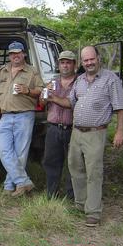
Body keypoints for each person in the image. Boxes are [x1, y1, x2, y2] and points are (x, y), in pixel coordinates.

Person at [50, 46, 123, 227]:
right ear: (82, 63)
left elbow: (120, 107)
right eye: (85, 60)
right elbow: (70, 102)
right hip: (76, 132)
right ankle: (81, 204)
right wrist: (53, 98)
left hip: (96, 133)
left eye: (91, 59)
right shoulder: (80, 80)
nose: (89, 63)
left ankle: (93, 212)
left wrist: (120, 131)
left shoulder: (110, 79)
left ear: (98, 58)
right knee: (76, 169)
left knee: (94, 173)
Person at [0, 41, 45, 196]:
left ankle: (10, 186)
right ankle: (24, 182)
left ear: (23, 54)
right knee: (4, 151)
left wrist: (27, 90)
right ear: (9, 55)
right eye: (12, 53)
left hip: (24, 115)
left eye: (18, 53)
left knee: (20, 153)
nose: (15, 56)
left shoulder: (32, 71)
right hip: (5, 116)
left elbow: (42, 91)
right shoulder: (2, 71)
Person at [40, 51, 78, 199]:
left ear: (74, 65)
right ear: (59, 65)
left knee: (73, 164)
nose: (65, 65)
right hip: (53, 128)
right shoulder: (52, 82)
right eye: (62, 62)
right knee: (50, 162)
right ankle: (51, 195)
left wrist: (53, 97)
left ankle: (71, 196)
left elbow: (71, 104)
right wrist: (44, 95)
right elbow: (42, 103)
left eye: (68, 62)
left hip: (72, 129)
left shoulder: (80, 82)